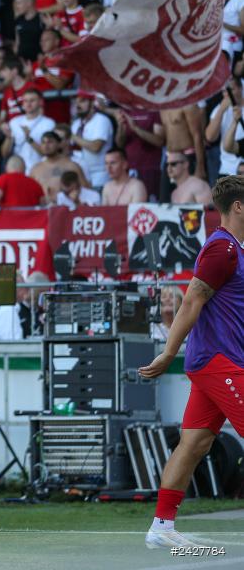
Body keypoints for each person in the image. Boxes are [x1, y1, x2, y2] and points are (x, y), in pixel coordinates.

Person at [139, 176, 244, 549]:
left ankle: (161, 527)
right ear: (238, 206)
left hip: (218, 361)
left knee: (194, 444)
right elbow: (190, 301)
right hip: (218, 362)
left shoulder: (236, 249)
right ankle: (162, 526)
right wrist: (168, 352)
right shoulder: (223, 250)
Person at [2, 89, 55, 172]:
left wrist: (29, 139)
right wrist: (8, 138)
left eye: (32, 100)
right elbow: (4, 154)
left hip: (39, 171)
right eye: (26, 101)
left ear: (40, 102)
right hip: (18, 172)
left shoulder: (49, 123)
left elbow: (48, 153)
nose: (28, 104)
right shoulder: (14, 122)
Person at [28, 131, 88, 203]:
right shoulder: (35, 169)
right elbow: (29, 193)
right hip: (42, 210)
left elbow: (86, 191)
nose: (46, 146)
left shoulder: (72, 166)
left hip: (66, 210)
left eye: (50, 142)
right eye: (43, 142)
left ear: (59, 144)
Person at [70, 92, 114, 188]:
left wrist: (72, 136)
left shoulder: (101, 120)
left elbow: (96, 147)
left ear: (93, 103)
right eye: (75, 102)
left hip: (100, 175)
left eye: (82, 101)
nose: (77, 105)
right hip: (80, 175)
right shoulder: (76, 124)